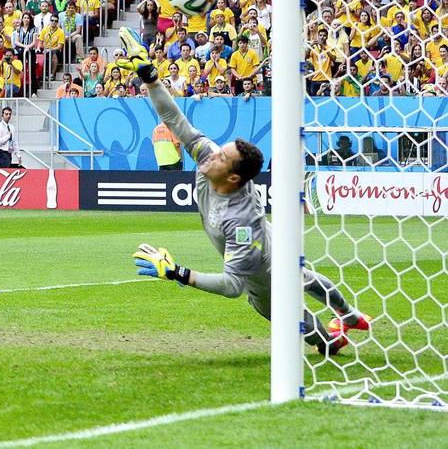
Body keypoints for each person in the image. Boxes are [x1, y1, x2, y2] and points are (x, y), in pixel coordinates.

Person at [119, 28, 369, 356]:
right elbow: (174, 119)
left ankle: (333, 338)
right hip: (272, 237)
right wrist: (151, 78)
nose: (211, 155)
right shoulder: (209, 158)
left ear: (234, 178)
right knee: (304, 276)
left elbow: (233, 285)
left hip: (261, 268)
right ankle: (350, 315)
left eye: (221, 157)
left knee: (296, 319)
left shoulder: (238, 220)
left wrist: (176, 272)